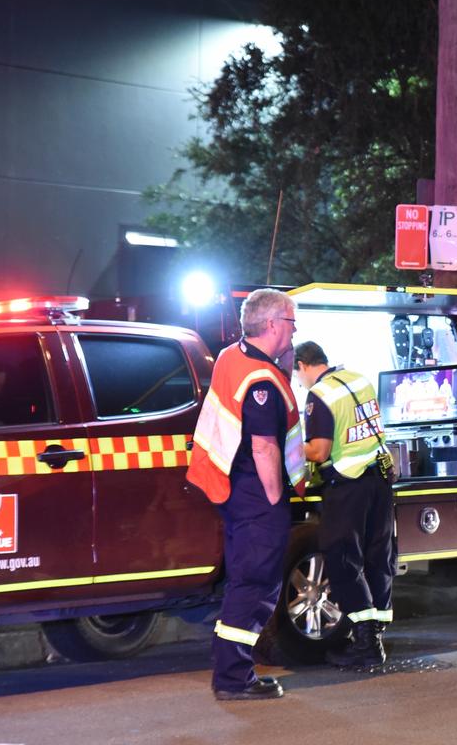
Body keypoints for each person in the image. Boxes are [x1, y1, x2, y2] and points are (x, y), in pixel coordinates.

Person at [186, 288, 307, 701]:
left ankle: (231, 671)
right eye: (291, 321)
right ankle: (235, 678)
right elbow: (264, 447)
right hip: (258, 496)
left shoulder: (231, 356)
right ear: (272, 324)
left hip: (232, 488)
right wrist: (276, 501)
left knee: (242, 582)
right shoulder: (262, 381)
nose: (295, 329)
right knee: (255, 584)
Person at [293, 341, 394, 667]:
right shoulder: (357, 378)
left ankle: (365, 641)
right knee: (378, 556)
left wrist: (289, 445)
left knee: (342, 557)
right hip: (378, 480)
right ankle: (376, 635)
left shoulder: (319, 395)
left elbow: (320, 451)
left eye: (297, 375)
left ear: (303, 365)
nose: (299, 381)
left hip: (348, 485)